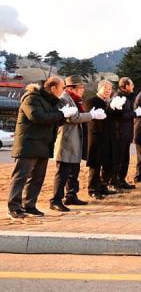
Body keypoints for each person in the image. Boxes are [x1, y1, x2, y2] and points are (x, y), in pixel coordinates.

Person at [7, 77, 70, 219]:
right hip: (28, 144)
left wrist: (64, 116)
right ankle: (14, 207)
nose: (63, 90)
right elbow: (38, 117)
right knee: (20, 177)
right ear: (53, 88)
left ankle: (29, 205)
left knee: (37, 177)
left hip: (43, 144)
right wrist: (61, 114)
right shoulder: (31, 98)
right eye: (62, 87)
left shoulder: (50, 101)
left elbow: (52, 121)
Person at [50, 75, 104, 212]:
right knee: (62, 172)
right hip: (66, 140)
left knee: (74, 170)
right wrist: (91, 116)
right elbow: (73, 118)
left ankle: (71, 195)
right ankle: (56, 199)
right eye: (80, 87)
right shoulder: (64, 99)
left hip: (75, 140)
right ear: (71, 88)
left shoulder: (76, 100)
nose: (82, 90)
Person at [85, 80, 118, 199]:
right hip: (97, 136)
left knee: (109, 163)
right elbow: (97, 117)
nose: (108, 92)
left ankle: (103, 186)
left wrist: (118, 108)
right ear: (99, 89)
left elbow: (115, 118)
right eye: (106, 89)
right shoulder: (91, 101)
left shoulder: (109, 102)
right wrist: (110, 108)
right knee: (96, 164)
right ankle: (93, 189)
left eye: (110, 89)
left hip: (109, 136)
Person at [112, 77, 141, 190]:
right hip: (119, 133)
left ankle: (121, 180)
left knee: (125, 159)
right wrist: (135, 113)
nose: (133, 87)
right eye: (131, 85)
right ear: (126, 86)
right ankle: (114, 182)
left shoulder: (128, 97)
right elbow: (120, 117)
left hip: (126, 132)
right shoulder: (119, 98)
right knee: (119, 159)